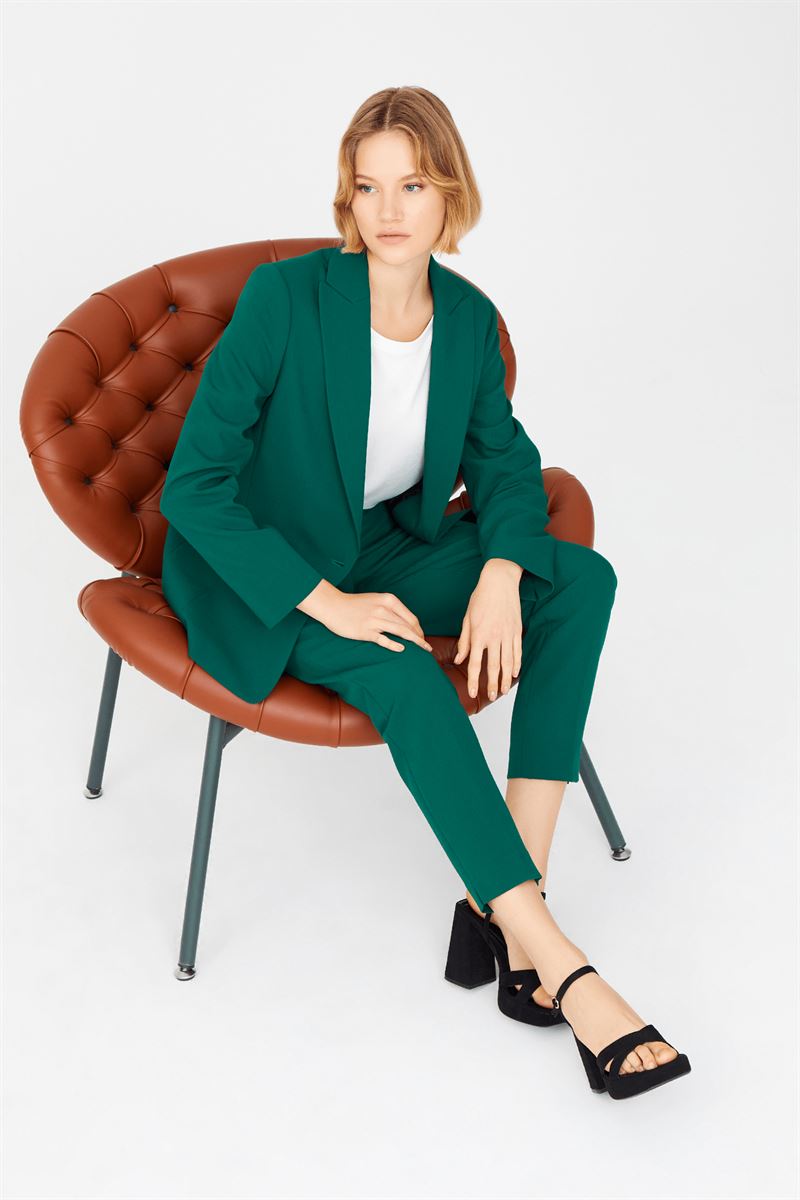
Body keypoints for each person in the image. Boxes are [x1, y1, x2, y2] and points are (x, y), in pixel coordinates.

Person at [161, 86, 691, 1100]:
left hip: (381, 543)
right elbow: (194, 488)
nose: (388, 209)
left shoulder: (469, 320)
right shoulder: (285, 300)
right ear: (347, 197)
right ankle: (563, 967)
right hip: (266, 572)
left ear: (449, 193)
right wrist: (326, 601)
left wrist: (499, 570)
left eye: (411, 185)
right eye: (367, 187)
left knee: (577, 581)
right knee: (406, 675)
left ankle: (502, 909)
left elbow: (504, 465)